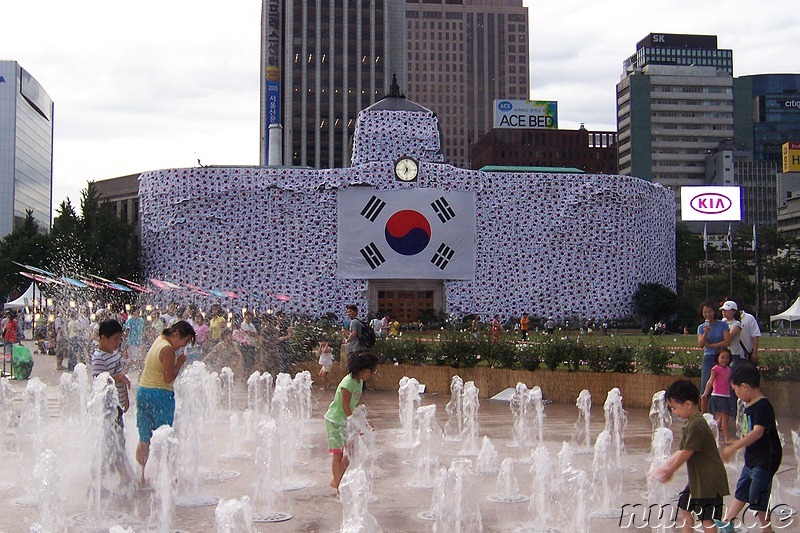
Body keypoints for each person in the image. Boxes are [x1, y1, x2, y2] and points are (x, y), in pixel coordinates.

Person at [652, 379, 729, 532]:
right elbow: (681, 451)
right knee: (685, 507)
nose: (673, 411)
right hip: (699, 479)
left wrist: (669, 470)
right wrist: (666, 466)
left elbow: (687, 453)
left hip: (708, 480)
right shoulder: (690, 423)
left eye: (674, 407)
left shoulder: (697, 424)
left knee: (707, 518)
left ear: (688, 404)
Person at [718, 364, 783, 533]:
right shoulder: (750, 405)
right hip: (753, 458)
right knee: (742, 490)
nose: (735, 394)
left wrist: (734, 448)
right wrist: (736, 442)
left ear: (745, 386)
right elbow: (750, 434)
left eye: (736, 390)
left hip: (766, 459)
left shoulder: (763, 406)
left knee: (758, 498)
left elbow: (757, 433)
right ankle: (727, 522)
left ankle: (767, 530)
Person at [135, 320, 195, 485]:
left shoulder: (159, 340)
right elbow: (168, 377)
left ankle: (141, 475)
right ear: (176, 335)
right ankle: (167, 476)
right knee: (165, 435)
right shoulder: (168, 349)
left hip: (143, 391)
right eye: (185, 341)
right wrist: (179, 364)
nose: (183, 346)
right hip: (159, 394)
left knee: (144, 437)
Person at [323, 351, 380, 493]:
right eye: (372, 372)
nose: (372, 375)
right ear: (366, 370)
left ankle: (337, 480)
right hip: (335, 420)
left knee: (350, 454)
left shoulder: (359, 381)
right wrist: (357, 425)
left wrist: (365, 422)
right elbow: (345, 406)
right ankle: (338, 487)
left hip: (346, 420)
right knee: (338, 455)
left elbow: (357, 404)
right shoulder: (347, 383)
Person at [697, 299, 730, 403]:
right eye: (705, 312)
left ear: (714, 311)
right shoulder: (701, 327)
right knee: (706, 385)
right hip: (708, 356)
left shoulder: (722, 324)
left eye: (710, 312)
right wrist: (705, 333)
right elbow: (701, 344)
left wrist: (712, 345)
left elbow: (727, 341)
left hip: (721, 357)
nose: (708, 314)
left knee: (722, 385)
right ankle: (704, 412)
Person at [701, 348, 735, 443]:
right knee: (724, 417)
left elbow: (730, 382)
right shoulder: (715, 369)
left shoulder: (729, 370)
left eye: (727, 358)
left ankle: (710, 434)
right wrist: (705, 393)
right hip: (717, 396)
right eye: (722, 357)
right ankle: (726, 437)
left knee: (721, 418)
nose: (725, 360)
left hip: (726, 396)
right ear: (717, 358)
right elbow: (710, 381)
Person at [720, 301, 745, 370]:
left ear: (733, 311)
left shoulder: (737, 323)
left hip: (734, 353)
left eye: (727, 310)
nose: (724, 312)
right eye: (723, 310)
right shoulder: (723, 321)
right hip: (724, 352)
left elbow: (729, 337)